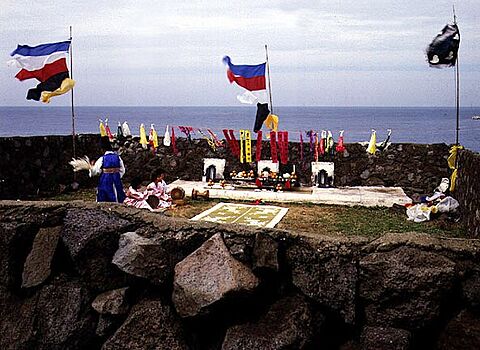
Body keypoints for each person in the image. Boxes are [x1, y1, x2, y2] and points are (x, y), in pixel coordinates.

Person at [89, 136, 126, 203]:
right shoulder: (118, 157)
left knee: (104, 194)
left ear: (103, 149)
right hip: (116, 178)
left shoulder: (102, 158)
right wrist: (117, 175)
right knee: (117, 193)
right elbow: (122, 170)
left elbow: (95, 171)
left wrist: (91, 168)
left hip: (105, 179)